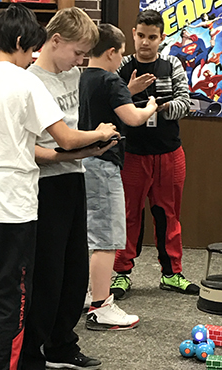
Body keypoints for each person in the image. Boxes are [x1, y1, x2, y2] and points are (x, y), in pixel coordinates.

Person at [0, 5, 118, 370]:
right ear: (21, 43)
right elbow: (66, 140)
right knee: (12, 304)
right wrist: (100, 132)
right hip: (13, 206)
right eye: (29, 49)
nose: (30, 57)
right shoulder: (25, 82)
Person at [18, 7, 113, 370]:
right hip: (45, 185)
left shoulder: (72, 73)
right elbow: (28, 148)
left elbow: (75, 136)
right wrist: (87, 142)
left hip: (74, 178)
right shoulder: (28, 81)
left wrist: (88, 149)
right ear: (54, 41)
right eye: (77, 52)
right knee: (47, 276)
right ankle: (29, 358)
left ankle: (61, 343)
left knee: (74, 273)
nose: (81, 61)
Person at [110, 10, 200, 300]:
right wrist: (130, 90)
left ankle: (172, 274)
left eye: (152, 37)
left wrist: (158, 107)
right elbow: (108, 103)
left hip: (169, 153)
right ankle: (122, 274)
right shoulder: (122, 65)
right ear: (133, 34)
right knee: (129, 216)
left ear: (161, 38)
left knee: (168, 215)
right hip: (132, 154)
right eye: (140, 36)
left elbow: (185, 103)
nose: (145, 42)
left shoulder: (171, 63)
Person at [79, 23, 158, 331]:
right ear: (111, 52)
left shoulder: (83, 77)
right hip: (104, 165)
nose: (123, 59)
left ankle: (90, 294)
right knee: (107, 237)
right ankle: (101, 307)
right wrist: (149, 106)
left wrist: (129, 90)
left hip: (84, 164)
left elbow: (106, 103)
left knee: (92, 234)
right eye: (122, 53)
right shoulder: (111, 80)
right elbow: (131, 118)